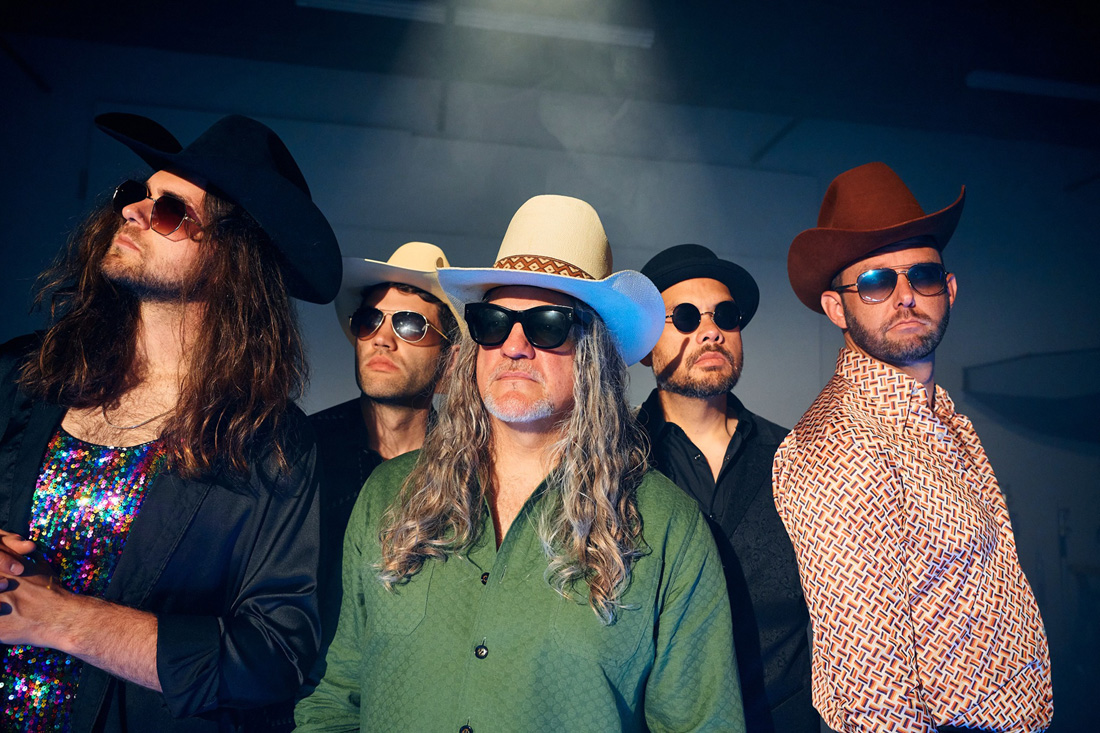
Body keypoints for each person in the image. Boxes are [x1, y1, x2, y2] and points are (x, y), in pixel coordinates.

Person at [296, 195, 745, 732]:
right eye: (492, 321)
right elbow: (336, 700)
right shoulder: (390, 495)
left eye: (547, 325)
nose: (513, 346)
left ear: (594, 354)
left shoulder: (668, 527)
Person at [0, 112, 342, 732]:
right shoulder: (25, 375)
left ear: (231, 260)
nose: (132, 211)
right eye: (138, 194)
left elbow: (275, 656)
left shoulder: (270, 443)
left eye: (169, 211)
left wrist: (64, 619)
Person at [774, 162, 1053, 732]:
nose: (904, 296)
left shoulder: (942, 420)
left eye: (922, 276)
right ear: (837, 307)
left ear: (949, 290)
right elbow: (872, 689)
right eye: (876, 282)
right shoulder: (837, 443)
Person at [637, 244, 815, 733]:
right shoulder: (611, 462)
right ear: (646, 346)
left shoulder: (797, 457)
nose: (711, 331)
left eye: (726, 316)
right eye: (686, 317)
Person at [307, 241, 459, 686]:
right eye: (369, 320)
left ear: (449, 362)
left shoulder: (471, 472)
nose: (382, 338)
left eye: (411, 325)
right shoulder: (299, 450)